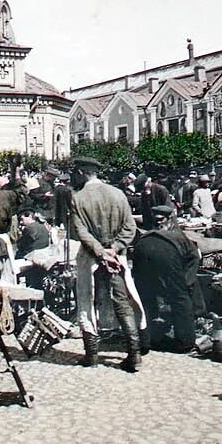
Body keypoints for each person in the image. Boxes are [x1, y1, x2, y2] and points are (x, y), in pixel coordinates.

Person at [70, 156, 146, 372]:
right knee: (122, 301)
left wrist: (100, 251)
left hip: (91, 257)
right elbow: (130, 227)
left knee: (87, 300)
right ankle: (134, 355)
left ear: (82, 173)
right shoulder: (118, 193)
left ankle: (92, 355)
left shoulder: (78, 197)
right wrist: (114, 248)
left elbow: (80, 231)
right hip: (116, 257)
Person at [133, 205, 203, 353]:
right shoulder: (178, 235)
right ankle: (185, 342)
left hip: (141, 248)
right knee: (180, 298)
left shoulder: (149, 232)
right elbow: (194, 258)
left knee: (145, 296)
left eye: (160, 220)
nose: (159, 223)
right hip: (164, 252)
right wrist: (186, 283)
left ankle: (146, 337)